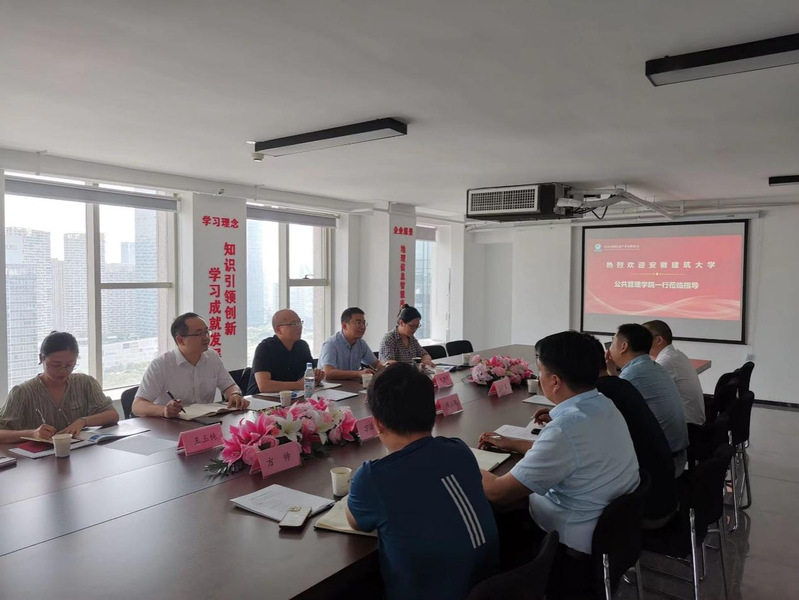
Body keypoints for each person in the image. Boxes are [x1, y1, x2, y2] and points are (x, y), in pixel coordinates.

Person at [478, 331, 639, 591]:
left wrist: (467, 461)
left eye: (540, 371)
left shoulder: (565, 429)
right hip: (615, 535)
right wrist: (513, 443)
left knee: (491, 520)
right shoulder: (604, 405)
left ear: (554, 381)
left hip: (570, 546)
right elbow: (572, 454)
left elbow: (498, 492)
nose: (538, 376)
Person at [346, 363, 499, 600]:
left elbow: (355, 522)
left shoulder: (373, 477)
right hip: (491, 587)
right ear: (432, 411)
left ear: (378, 423)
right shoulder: (459, 449)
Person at [532, 334, 677, 527]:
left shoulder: (599, 399)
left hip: (642, 510)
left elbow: (572, 436)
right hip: (657, 493)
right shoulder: (615, 389)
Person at [0, 331, 119, 443]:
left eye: (70, 365)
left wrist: (83, 421)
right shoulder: (22, 392)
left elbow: (112, 415)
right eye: (56, 365)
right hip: (38, 455)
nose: (63, 371)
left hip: (79, 451)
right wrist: (32, 433)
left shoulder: (85, 383)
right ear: (41, 359)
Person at [607, 323, 689, 476]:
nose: (609, 349)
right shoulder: (652, 367)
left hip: (660, 465)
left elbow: (609, 413)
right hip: (675, 455)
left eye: (612, 342)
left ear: (623, 346)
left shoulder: (633, 374)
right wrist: (612, 373)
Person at [132, 313, 248, 418]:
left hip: (206, 422)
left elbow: (229, 386)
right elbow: (137, 406)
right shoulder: (161, 365)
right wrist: (164, 410)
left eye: (207, 332)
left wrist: (235, 394)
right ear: (180, 340)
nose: (206, 337)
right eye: (199, 334)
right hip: (172, 425)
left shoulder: (212, 357)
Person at [245, 309, 323, 395]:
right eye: (294, 324)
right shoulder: (265, 348)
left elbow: (310, 372)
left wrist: (317, 375)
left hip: (292, 396)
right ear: (278, 330)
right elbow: (264, 386)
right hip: (260, 399)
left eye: (300, 323)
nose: (299, 327)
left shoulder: (302, 346)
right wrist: (298, 385)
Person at [643, 320, 706, 426]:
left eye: (643, 338)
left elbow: (643, 389)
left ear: (658, 340)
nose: (639, 342)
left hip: (688, 427)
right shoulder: (675, 355)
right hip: (692, 423)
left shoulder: (667, 361)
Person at [318, 307, 383, 381]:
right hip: (333, 387)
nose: (363, 327)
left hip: (352, 386)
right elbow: (328, 373)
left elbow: (376, 364)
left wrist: (387, 367)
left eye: (364, 323)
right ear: (344, 326)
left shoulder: (361, 344)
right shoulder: (331, 344)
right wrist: (358, 373)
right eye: (358, 323)